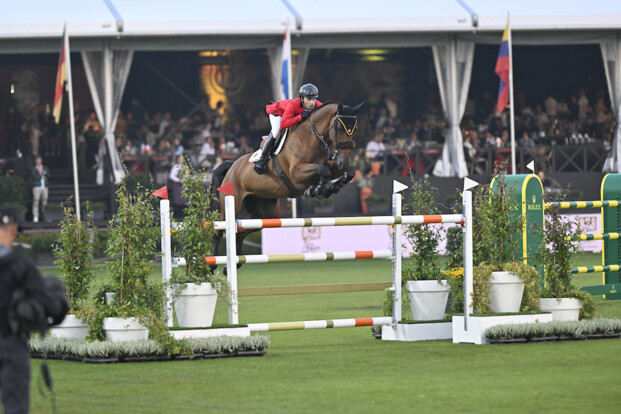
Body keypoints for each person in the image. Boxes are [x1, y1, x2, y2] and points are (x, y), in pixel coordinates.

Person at [0, 206, 68, 414]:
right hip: (10, 344)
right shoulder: (20, 266)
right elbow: (51, 306)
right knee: (15, 405)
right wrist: (58, 300)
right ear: (13, 228)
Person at [254, 83, 323, 175]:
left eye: (314, 99)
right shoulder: (293, 104)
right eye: (308, 99)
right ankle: (262, 160)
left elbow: (327, 111)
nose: (312, 103)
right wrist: (301, 117)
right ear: (302, 99)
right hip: (278, 114)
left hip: (290, 117)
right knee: (276, 131)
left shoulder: (316, 104)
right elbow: (283, 124)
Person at [31, 156, 50, 223]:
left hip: (44, 186)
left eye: (40, 160)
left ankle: (45, 216)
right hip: (37, 187)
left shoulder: (44, 167)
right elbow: (34, 176)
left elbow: (48, 174)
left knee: (45, 202)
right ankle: (35, 216)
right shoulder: (33, 168)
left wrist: (43, 175)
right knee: (36, 201)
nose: (39, 161)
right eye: (37, 160)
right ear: (35, 161)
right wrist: (42, 176)